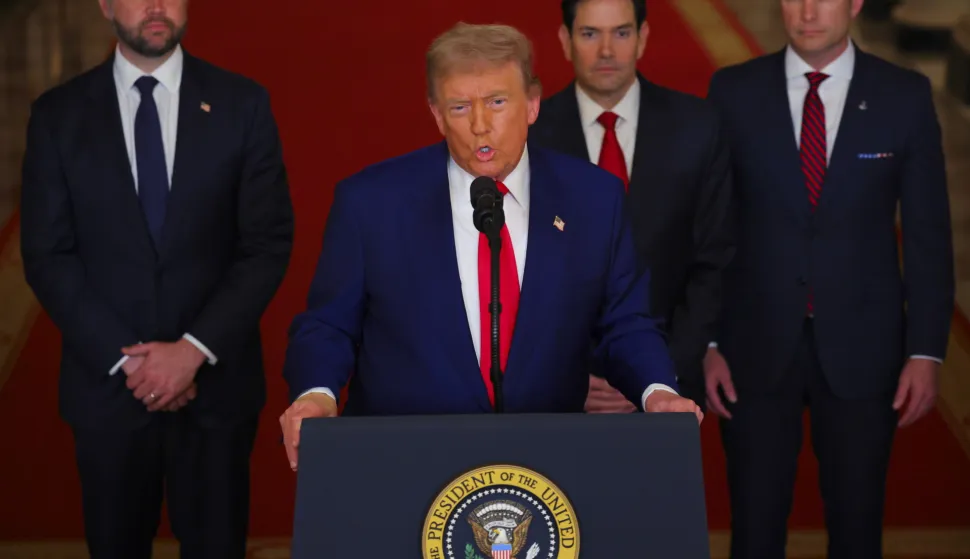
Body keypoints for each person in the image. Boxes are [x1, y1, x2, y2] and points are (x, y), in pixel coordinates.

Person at [278, 22, 701, 470]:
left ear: (532, 104)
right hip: (404, 464)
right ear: (437, 115)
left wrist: (658, 392)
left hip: (545, 467)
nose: (480, 126)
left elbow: (626, 323)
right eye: (460, 107)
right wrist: (316, 395)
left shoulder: (593, 199)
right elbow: (328, 325)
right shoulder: (371, 203)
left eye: (497, 102)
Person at [19, 0, 294, 557]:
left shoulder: (242, 103)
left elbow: (265, 245)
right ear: (104, 5)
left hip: (217, 392)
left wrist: (192, 351)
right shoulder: (58, 115)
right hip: (108, 393)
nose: (155, 6)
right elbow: (48, 255)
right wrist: (132, 363)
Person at [704, 0, 954, 556]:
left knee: (857, 528)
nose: (808, 12)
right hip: (753, 348)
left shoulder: (904, 96)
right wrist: (710, 340)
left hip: (865, 349)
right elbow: (710, 226)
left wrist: (926, 351)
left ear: (855, 4)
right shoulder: (734, 91)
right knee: (754, 529)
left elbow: (928, 236)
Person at [530, 0, 733, 413]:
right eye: (590, 34)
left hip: (669, 387)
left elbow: (715, 259)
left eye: (621, 33)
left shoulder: (697, 126)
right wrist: (567, 378)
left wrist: (654, 379)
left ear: (642, 38)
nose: (606, 50)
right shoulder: (530, 137)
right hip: (561, 394)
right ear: (565, 41)